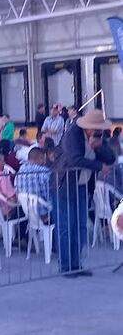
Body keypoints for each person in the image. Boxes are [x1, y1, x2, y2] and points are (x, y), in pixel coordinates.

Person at [52, 109, 115, 277]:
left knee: (80, 226)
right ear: (88, 127)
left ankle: (76, 264)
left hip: (83, 185)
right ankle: (65, 266)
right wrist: (99, 166)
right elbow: (74, 159)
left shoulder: (99, 136)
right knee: (66, 227)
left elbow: (111, 158)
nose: (97, 132)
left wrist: (99, 147)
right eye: (95, 130)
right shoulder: (72, 134)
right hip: (64, 184)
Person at [14, 147, 53, 222]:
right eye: (44, 159)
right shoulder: (45, 173)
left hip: (28, 213)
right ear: (41, 158)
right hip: (45, 214)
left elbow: (16, 192)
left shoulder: (19, 173)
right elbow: (50, 195)